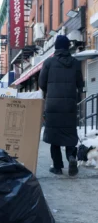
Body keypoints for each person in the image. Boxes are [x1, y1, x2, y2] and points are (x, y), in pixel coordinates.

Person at [39, 35, 84, 176]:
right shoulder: (76, 63)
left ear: (56, 47)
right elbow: (80, 84)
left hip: (53, 105)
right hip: (69, 104)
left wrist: (50, 91)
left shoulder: (48, 62)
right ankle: (71, 157)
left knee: (55, 136)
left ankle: (57, 167)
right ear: (67, 47)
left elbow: (41, 83)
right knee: (69, 133)